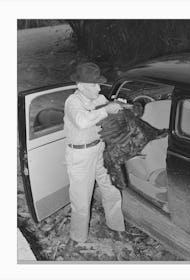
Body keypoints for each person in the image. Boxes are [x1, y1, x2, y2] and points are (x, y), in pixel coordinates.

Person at [64, 62, 125, 244]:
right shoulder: (72, 102)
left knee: (112, 189)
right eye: (94, 84)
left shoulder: (99, 98)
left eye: (99, 84)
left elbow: (110, 110)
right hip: (80, 156)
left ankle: (116, 226)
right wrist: (106, 110)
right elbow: (82, 121)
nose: (99, 88)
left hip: (100, 149)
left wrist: (119, 106)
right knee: (81, 201)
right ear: (80, 86)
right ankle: (78, 238)